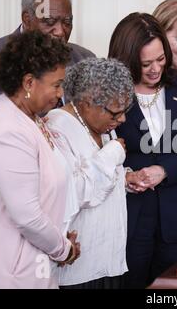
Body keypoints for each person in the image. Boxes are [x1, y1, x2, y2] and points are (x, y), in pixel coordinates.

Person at [0, 31, 81, 289]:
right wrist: (64, 249)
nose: (60, 93)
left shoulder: (29, 115)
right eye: (56, 84)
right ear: (29, 83)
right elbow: (28, 217)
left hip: (28, 266)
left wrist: (59, 236)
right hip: (5, 272)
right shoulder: (8, 128)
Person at [108, 13, 177, 288]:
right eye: (145, 64)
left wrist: (164, 170)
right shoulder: (107, 92)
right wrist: (127, 176)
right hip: (128, 221)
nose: (155, 69)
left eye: (160, 59)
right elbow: (94, 155)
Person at [46, 58, 137, 289]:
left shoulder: (102, 126)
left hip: (109, 260)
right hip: (78, 268)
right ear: (87, 102)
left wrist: (124, 177)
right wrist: (113, 154)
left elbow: (100, 177)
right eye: (115, 113)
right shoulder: (56, 127)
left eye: (124, 111)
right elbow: (72, 192)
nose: (122, 119)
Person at [0, 0, 94, 157]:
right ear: (27, 19)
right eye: (50, 22)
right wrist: (34, 146)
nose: (60, 31)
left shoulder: (84, 59)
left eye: (67, 22)